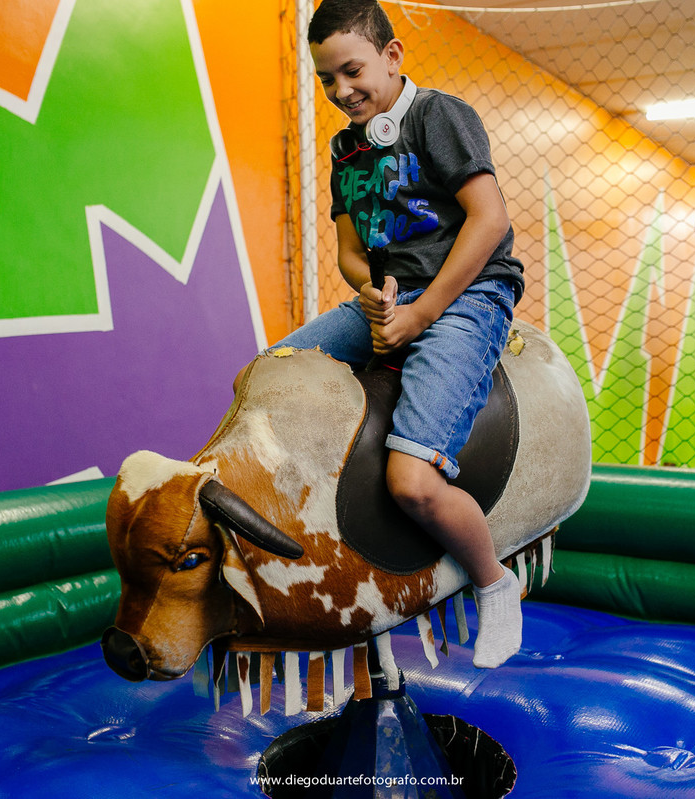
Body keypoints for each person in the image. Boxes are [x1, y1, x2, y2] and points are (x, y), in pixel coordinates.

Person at [279, 0, 526, 668]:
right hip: (391, 298)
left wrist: (422, 313)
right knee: (272, 376)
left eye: (352, 71)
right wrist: (373, 291)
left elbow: (489, 219)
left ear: (392, 57)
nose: (341, 91)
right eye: (327, 80)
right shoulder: (346, 147)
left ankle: (497, 583)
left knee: (412, 482)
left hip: (467, 291)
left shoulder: (438, 117)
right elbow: (350, 252)